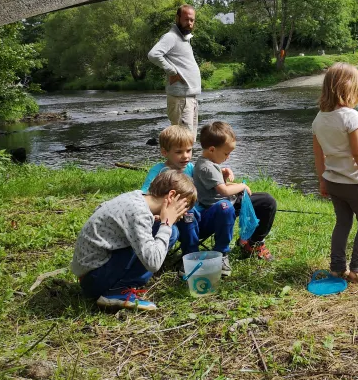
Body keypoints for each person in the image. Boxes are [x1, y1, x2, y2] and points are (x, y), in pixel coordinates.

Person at [71, 170, 196, 312]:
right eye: (184, 206)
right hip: (95, 280)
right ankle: (117, 291)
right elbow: (153, 263)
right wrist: (166, 223)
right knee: (170, 231)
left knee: (171, 232)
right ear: (171, 196)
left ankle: (117, 286)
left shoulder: (137, 198)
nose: (185, 213)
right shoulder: (139, 213)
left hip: (91, 272)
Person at [312, 63, 358, 282]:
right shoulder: (351, 116)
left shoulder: (318, 119)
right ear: (348, 90)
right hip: (356, 183)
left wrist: (322, 182)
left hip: (333, 182)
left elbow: (318, 156)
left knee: (342, 223)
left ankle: (337, 268)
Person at [194, 121, 277, 275]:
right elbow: (223, 191)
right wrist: (242, 186)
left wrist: (223, 174)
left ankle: (251, 241)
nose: (228, 157)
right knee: (267, 203)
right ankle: (254, 243)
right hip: (219, 210)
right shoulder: (206, 167)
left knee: (266, 200)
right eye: (226, 153)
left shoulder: (209, 163)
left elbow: (216, 188)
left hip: (226, 203)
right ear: (212, 149)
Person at [141, 124, 234, 257]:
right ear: (164, 152)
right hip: (175, 222)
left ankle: (222, 253)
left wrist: (222, 177)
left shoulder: (192, 168)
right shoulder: (158, 171)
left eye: (189, 151)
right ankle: (191, 256)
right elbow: (145, 197)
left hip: (201, 219)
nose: (185, 156)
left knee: (226, 206)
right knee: (187, 209)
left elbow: (206, 189)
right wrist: (155, 214)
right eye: (179, 152)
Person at [148, 5, 201, 136]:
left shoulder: (184, 39)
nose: (189, 23)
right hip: (180, 98)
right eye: (186, 19)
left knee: (189, 140)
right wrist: (172, 71)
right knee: (182, 140)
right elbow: (153, 54)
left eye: (192, 20)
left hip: (189, 97)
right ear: (177, 18)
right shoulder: (170, 37)